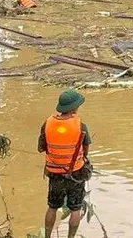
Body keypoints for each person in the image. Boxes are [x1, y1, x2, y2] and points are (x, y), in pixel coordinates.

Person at [38, 89, 92, 238]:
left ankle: (47, 236)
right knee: (75, 208)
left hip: (54, 173)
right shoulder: (81, 126)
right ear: (74, 108)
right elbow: (86, 150)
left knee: (52, 206)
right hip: (76, 172)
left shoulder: (47, 123)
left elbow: (41, 147)